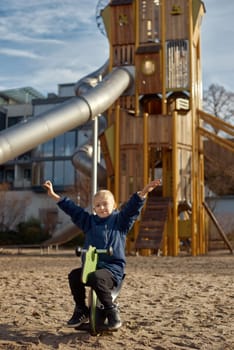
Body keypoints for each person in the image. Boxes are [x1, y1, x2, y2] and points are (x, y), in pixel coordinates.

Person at [43, 179, 161, 331]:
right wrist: (53, 195)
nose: (102, 207)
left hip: (112, 269)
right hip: (92, 267)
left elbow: (131, 209)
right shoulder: (89, 222)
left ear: (114, 206)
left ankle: (112, 312)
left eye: (105, 204)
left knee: (96, 277)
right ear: (93, 208)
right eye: (98, 205)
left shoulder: (120, 221)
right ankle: (81, 310)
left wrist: (143, 192)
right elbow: (73, 210)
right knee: (74, 276)